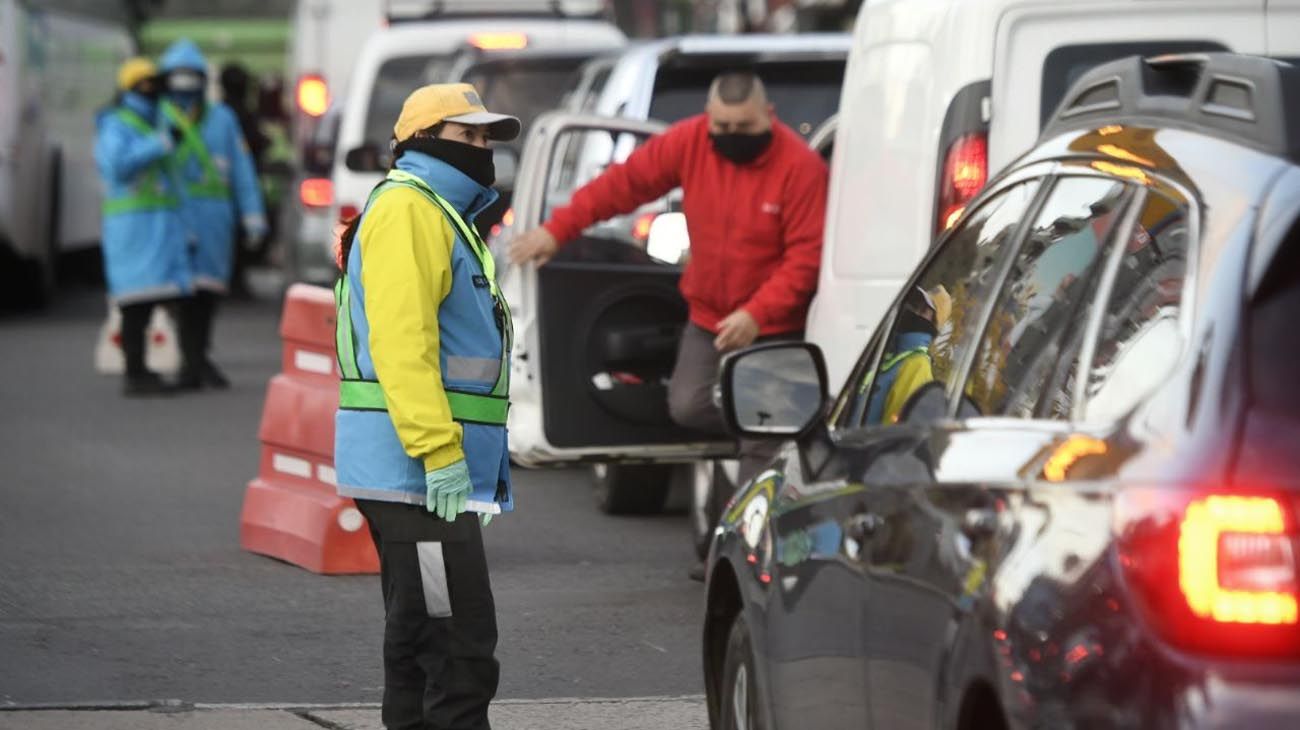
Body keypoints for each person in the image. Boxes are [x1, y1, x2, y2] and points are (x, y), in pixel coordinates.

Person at [509, 71, 828, 579]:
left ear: (769, 117)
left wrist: (757, 313)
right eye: (721, 124)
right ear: (707, 119)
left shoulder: (800, 168)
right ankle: (783, 440)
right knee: (688, 405)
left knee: (761, 439)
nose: (730, 135)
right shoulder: (690, 142)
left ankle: (740, 554)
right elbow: (622, 186)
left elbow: (805, 257)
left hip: (772, 328)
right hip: (708, 316)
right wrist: (557, 230)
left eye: (742, 125)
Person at [332, 82, 520, 730]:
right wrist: (441, 457)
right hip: (417, 477)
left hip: (420, 475)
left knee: (421, 638)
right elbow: (402, 346)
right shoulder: (411, 211)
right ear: (422, 141)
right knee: (458, 648)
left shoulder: (436, 211)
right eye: (468, 136)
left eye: (487, 138)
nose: (483, 148)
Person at [158, 39, 268, 389]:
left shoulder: (222, 119)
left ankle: (197, 358)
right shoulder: (158, 115)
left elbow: (242, 170)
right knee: (181, 293)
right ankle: (192, 361)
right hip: (174, 217)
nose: (185, 89)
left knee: (207, 293)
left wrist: (253, 215)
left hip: (213, 220)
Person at [94, 57, 199, 396]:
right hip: (133, 231)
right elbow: (117, 165)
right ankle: (136, 375)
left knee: (160, 298)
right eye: (146, 84)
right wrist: (160, 143)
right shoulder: (117, 124)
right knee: (135, 305)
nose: (153, 90)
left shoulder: (156, 121)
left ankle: (175, 369)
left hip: (158, 229)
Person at [219, 62, 272, 299]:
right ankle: (236, 280)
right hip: (241, 184)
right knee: (241, 237)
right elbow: (258, 143)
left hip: (220, 188)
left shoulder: (219, 114)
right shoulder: (243, 114)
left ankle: (230, 278)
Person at [866, 285, 952, 425]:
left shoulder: (918, 367)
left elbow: (893, 434)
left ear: (933, 324)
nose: (915, 312)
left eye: (924, 310)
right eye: (916, 305)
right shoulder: (890, 352)